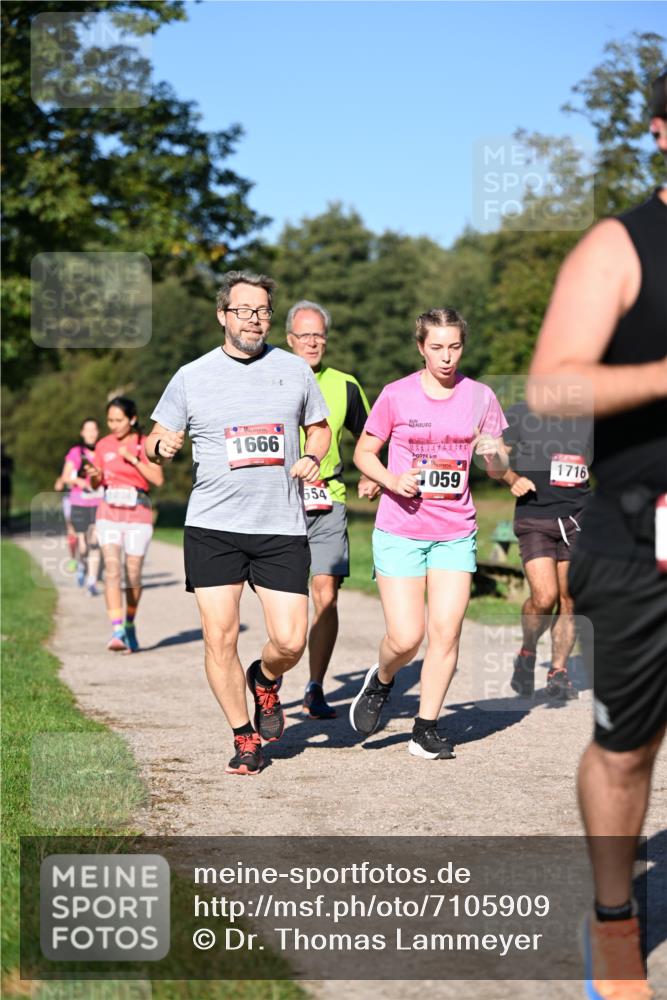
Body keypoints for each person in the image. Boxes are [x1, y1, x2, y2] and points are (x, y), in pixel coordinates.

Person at [528, 71, 667, 1000]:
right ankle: (613, 920)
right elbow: (550, 387)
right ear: (660, 130)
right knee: (629, 749)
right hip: (638, 531)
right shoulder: (621, 245)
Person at [146, 271, 331, 776]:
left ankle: (265, 679)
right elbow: (156, 436)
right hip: (214, 526)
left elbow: (319, 428)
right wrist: (161, 445)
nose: (255, 320)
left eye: (264, 311)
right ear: (223, 315)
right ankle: (244, 735)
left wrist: (314, 456)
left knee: (291, 639)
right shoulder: (192, 375)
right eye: (245, 311)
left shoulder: (295, 371)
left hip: (280, 526)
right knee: (219, 636)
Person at [351, 307, 508, 759]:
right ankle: (381, 680)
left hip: (455, 530)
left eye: (454, 346)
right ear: (421, 347)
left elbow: (496, 467)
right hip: (401, 528)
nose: (446, 356)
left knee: (446, 632)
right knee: (405, 637)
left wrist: (493, 455)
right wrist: (389, 480)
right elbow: (364, 452)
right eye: (436, 347)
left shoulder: (480, 397)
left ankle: (426, 727)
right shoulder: (396, 395)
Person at [286, 299, 380, 720]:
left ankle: (315, 685)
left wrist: (373, 472)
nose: (312, 342)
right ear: (289, 340)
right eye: (304, 335)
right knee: (286, 600)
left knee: (325, 593)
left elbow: (372, 438)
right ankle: (272, 675)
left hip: (328, 501)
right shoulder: (270, 378)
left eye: (319, 335)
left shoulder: (345, 385)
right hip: (277, 505)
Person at [498, 401, 591, 699]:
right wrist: (512, 478)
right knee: (544, 596)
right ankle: (527, 652)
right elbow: (495, 458)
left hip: (578, 516)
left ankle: (558, 672)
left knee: (570, 596)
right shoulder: (521, 412)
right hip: (534, 516)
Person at [88, 398, 164, 653]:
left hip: (138, 515)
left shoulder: (145, 444)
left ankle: (130, 622)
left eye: (119, 420)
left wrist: (133, 459)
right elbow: (95, 484)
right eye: (110, 420)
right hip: (108, 513)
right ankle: (117, 629)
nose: (114, 425)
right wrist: (95, 477)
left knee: (133, 575)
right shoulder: (103, 445)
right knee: (112, 570)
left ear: (132, 419)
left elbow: (157, 479)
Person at [60, 418, 104, 595]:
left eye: (94, 429)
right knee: (83, 545)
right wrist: (80, 481)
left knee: (95, 542)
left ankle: (92, 581)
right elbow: (65, 477)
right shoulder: (76, 453)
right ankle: (80, 564)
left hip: (99, 503)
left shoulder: (102, 451)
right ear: (82, 432)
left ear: (98, 431)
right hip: (79, 502)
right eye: (88, 430)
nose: (91, 433)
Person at [1, 444, 13, 532]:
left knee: (6, 504)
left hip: (6, 484)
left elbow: (11, 470)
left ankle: (6, 522)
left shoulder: (8, 459)